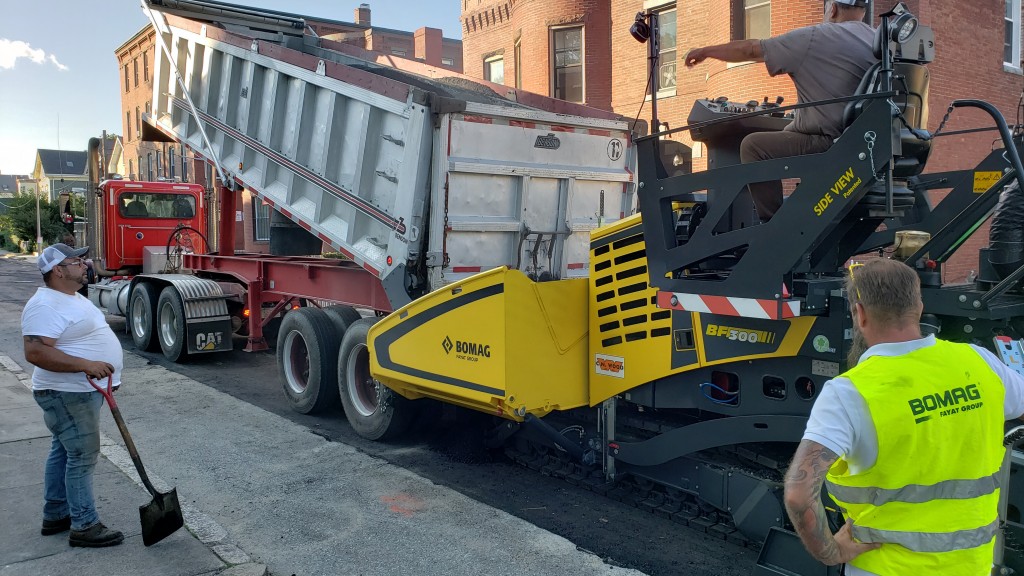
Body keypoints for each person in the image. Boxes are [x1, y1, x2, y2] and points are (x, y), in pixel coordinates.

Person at [783, 258, 1024, 574]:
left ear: (860, 314)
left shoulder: (849, 394)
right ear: (919, 306)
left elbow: (799, 495)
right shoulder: (980, 362)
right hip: (971, 565)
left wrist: (830, 551)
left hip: (885, 568)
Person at [684, 0, 877, 222]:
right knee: (789, 131)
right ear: (862, 11)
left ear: (832, 8)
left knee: (753, 146)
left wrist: (706, 51)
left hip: (830, 144)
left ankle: (775, 228)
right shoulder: (875, 40)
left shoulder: (816, 37)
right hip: (860, 143)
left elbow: (750, 49)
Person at [22, 243, 124, 548]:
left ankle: (56, 513)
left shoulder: (69, 297)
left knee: (63, 450)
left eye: (82, 259)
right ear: (58, 270)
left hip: (80, 392)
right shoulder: (45, 305)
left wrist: (107, 373)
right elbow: (35, 351)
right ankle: (84, 524)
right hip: (66, 394)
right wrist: (87, 366)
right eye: (76, 261)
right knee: (82, 455)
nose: (85, 264)